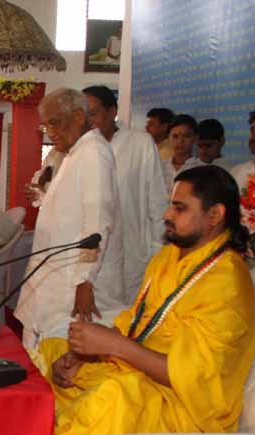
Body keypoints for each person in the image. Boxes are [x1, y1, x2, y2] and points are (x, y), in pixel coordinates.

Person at [40, 165, 255, 435]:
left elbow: (193, 378)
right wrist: (85, 355)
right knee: (50, 351)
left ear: (215, 215)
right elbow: (136, 323)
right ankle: (59, 425)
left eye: (179, 208)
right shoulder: (168, 257)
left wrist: (113, 346)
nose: (167, 215)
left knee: (116, 398)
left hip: (179, 404)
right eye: (170, 205)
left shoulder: (227, 281)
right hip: (133, 372)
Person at [14, 88, 124, 353]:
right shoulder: (74, 152)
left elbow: (98, 224)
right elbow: (68, 209)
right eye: (45, 125)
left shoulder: (94, 153)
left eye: (54, 122)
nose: (50, 132)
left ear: (78, 116)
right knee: (42, 350)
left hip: (73, 282)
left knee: (60, 352)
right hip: (57, 276)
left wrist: (85, 281)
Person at [83, 86, 167, 304]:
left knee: (127, 316)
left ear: (112, 111)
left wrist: (157, 252)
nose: (88, 121)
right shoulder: (82, 148)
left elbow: (157, 202)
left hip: (133, 254)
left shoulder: (140, 143)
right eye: (83, 115)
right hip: (91, 257)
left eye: (93, 113)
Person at [161, 114, 203, 193]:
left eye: (186, 136)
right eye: (175, 136)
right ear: (168, 137)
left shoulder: (202, 169)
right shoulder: (160, 168)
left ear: (195, 138)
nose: (180, 141)